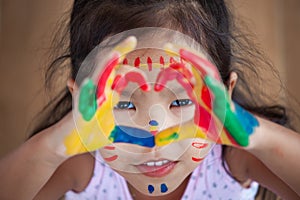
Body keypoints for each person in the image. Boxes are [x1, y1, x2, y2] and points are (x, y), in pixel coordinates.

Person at [0, 0, 300, 200]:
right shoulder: (84, 166)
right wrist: (56, 145)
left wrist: (253, 135)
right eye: (125, 104)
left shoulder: (232, 158)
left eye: (181, 102)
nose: (154, 131)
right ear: (81, 97)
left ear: (226, 92)